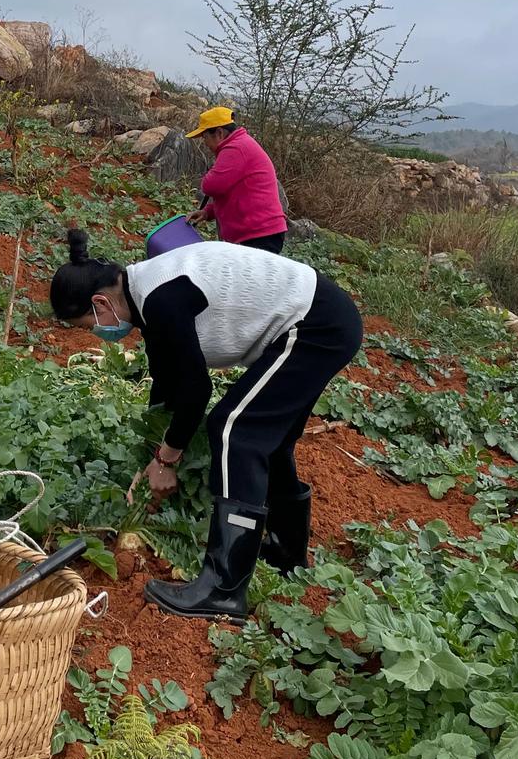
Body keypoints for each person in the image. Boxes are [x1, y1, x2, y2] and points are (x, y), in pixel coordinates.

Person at [50, 229, 362, 621]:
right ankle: (286, 552)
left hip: (315, 325)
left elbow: (196, 388)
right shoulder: (146, 296)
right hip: (321, 318)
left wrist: (167, 459)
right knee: (270, 438)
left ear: (100, 302)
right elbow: (168, 383)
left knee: (235, 429)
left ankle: (223, 590)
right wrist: (153, 453)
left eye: (87, 325)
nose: (96, 333)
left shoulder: (162, 298)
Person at [186, 106, 287, 254]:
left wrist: (212, 169)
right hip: (261, 234)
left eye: (205, 137)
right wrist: (208, 212)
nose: (205, 143)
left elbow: (210, 186)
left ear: (219, 133)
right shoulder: (240, 144)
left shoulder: (235, 148)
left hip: (259, 236)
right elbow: (239, 192)